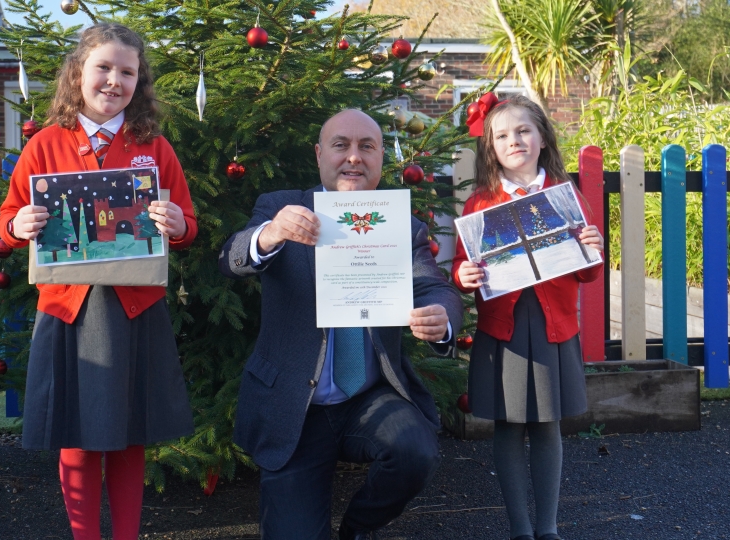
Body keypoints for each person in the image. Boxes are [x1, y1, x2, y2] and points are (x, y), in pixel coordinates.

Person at [219, 109, 463, 540]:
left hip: (367, 398)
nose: (354, 157)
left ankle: (357, 528)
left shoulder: (400, 225)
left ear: (381, 157)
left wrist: (441, 318)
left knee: (413, 451)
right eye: (341, 145)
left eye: (366, 147)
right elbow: (233, 258)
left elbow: (433, 287)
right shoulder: (281, 207)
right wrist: (270, 235)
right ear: (319, 155)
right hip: (295, 406)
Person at [0, 23, 196, 540]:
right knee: (76, 436)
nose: (114, 81)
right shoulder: (44, 144)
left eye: (127, 72)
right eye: (103, 68)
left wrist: (178, 225)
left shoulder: (155, 147)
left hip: (135, 306)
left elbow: (187, 224)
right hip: (68, 308)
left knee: (131, 435)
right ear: (77, 75)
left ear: (140, 82)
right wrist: (17, 226)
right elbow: (10, 217)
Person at [454, 93, 605, 540]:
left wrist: (592, 250)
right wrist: (464, 275)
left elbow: (588, 273)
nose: (514, 140)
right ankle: (520, 529)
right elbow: (464, 271)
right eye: (501, 135)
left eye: (523, 130)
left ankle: (548, 529)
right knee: (508, 425)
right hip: (504, 330)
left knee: (547, 424)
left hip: (553, 327)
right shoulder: (479, 205)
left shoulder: (565, 197)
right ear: (490, 148)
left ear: (542, 138)